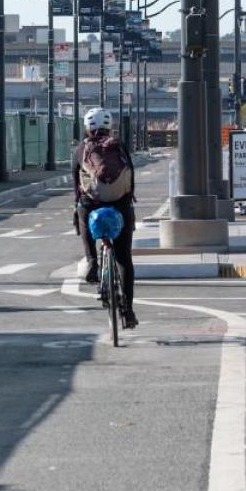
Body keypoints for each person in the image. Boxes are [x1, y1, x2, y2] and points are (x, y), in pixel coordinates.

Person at [73, 107, 138, 328]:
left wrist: (79, 203)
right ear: (110, 127)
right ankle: (128, 311)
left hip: (93, 205)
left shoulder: (81, 148)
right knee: (124, 260)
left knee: (81, 213)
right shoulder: (119, 146)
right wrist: (128, 204)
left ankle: (92, 262)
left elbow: (76, 185)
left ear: (87, 127)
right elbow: (130, 178)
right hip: (120, 206)